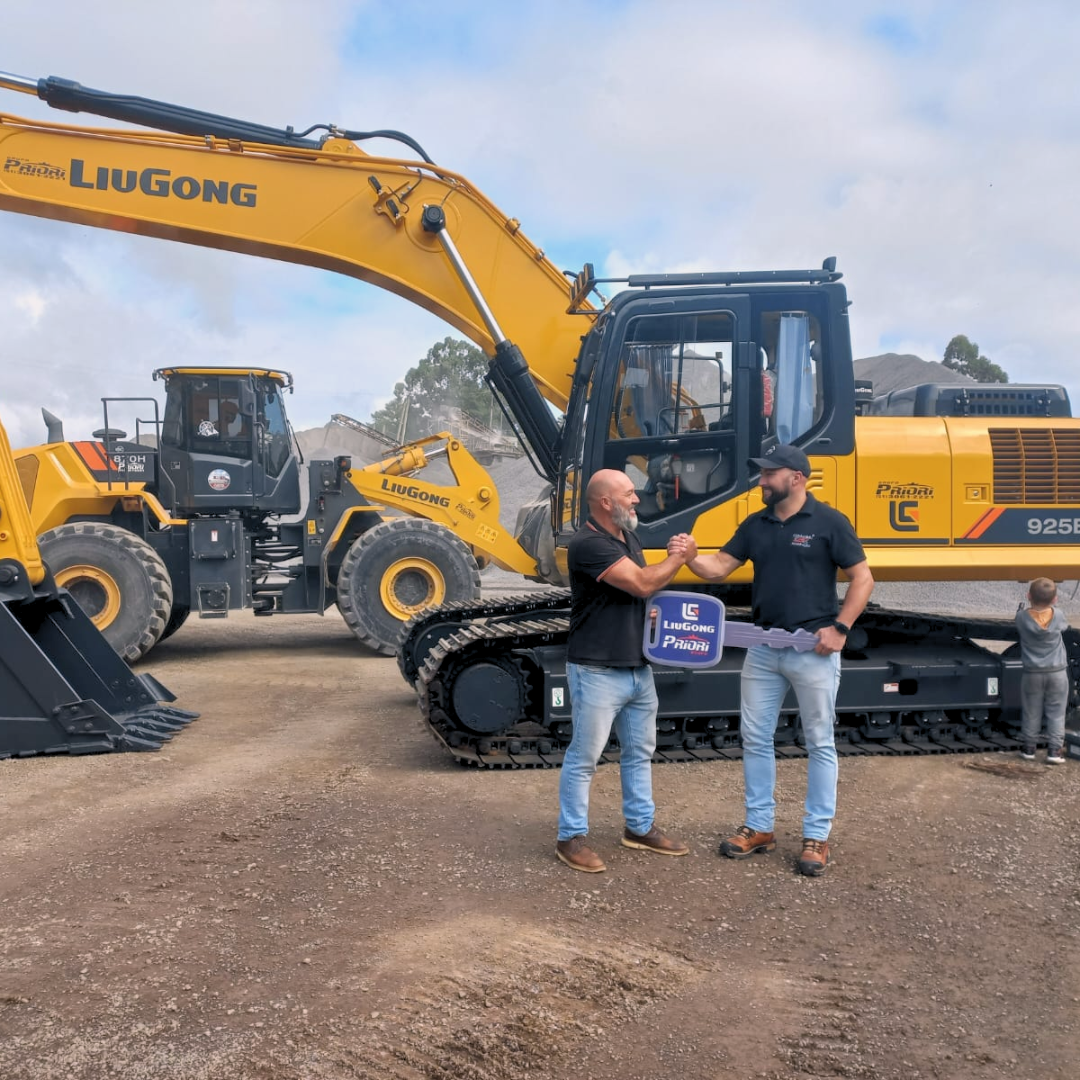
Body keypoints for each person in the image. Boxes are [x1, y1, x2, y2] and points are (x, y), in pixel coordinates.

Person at [671, 444, 874, 877]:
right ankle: (759, 827)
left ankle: (816, 836)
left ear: (797, 478)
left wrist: (840, 628)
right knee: (756, 740)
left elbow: (863, 577)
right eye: (761, 474)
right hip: (762, 650)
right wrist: (690, 557)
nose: (761, 481)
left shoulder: (829, 522)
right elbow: (719, 567)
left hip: (812, 652)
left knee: (819, 743)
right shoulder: (756, 523)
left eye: (769, 475)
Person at [557, 469, 694, 873]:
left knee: (639, 753)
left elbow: (649, 588)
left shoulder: (626, 536)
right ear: (605, 502)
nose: (637, 499)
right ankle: (570, 837)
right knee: (585, 757)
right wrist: (678, 557)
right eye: (629, 493)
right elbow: (640, 583)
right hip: (596, 670)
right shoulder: (587, 544)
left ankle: (639, 828)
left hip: (637, 668)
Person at [1015, 578, 1069, 764]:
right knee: (1056, 712)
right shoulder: (1059, 614)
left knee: (1031, 710)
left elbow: (1021, 622)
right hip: (1057, 673)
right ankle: (1055, 751)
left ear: (1028, 596)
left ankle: (1029, 748)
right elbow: (1063, 627)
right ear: (1055, 599)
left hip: (1032, 673)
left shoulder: (1021, 617)